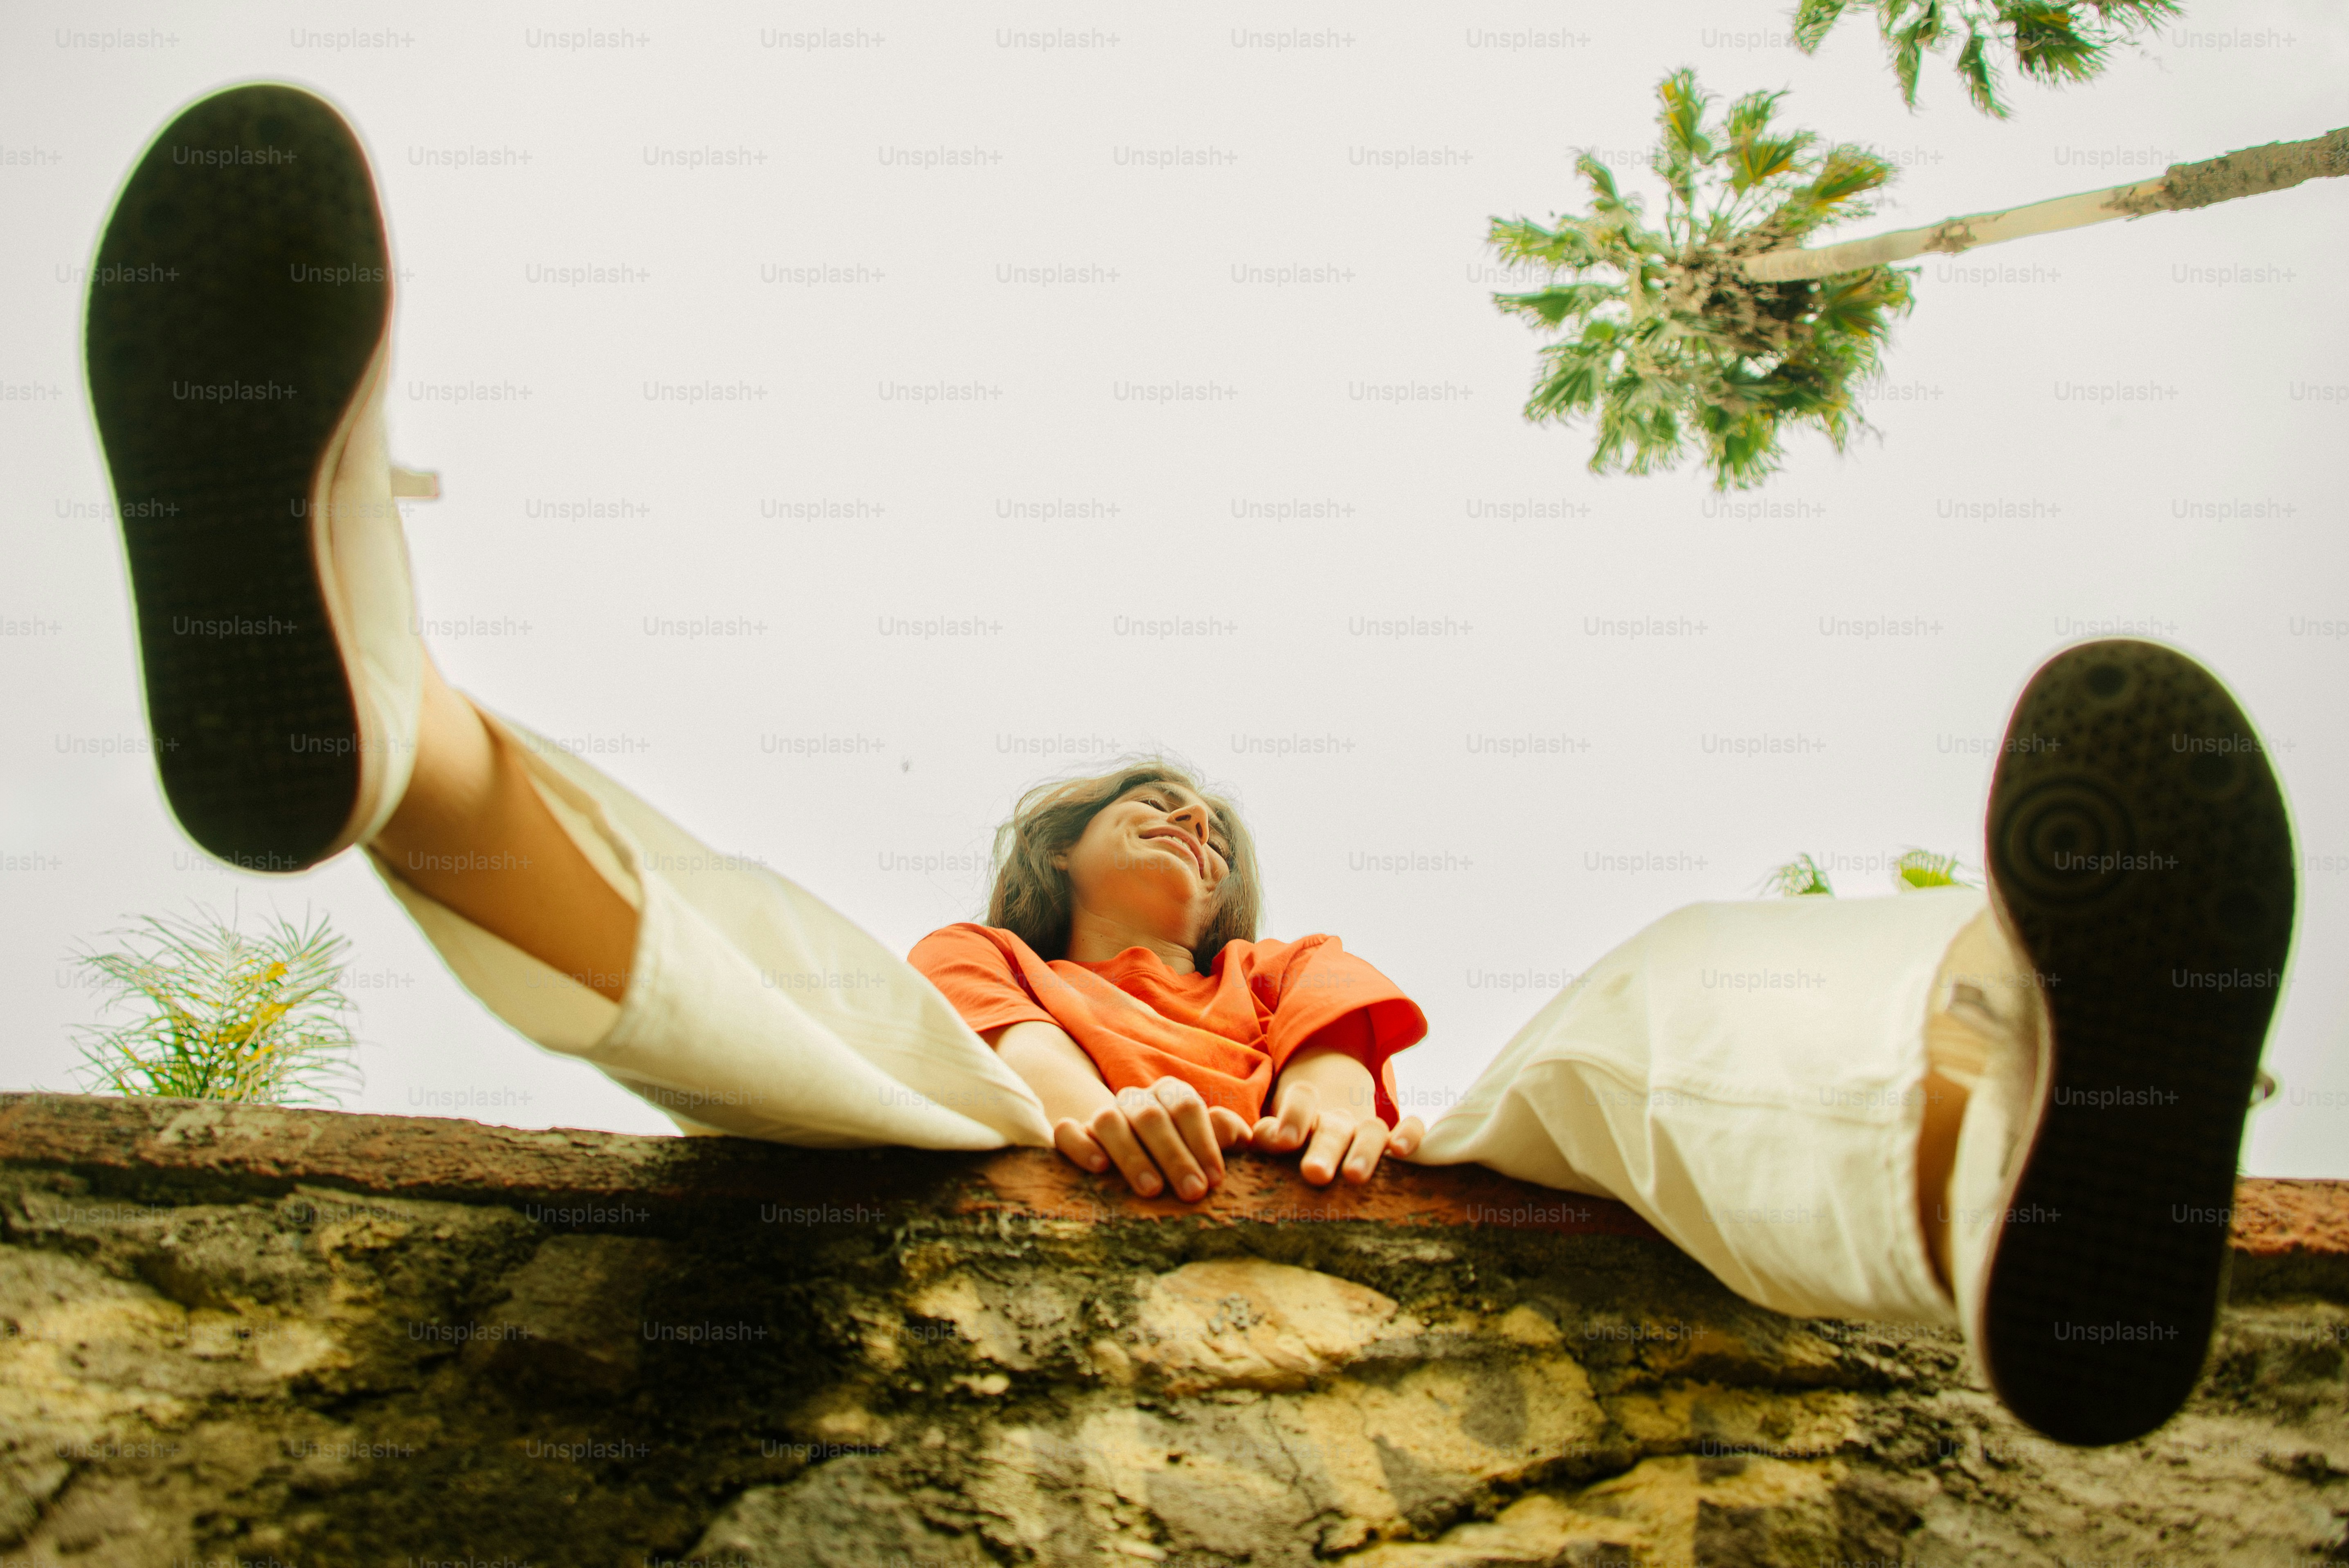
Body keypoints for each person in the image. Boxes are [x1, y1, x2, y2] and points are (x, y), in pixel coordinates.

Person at [82, 83, 2297, 1451]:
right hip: (1010, 1122)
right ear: (1057, 860)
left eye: (1215, 824)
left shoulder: (1293, 964)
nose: (1195, 826)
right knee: (820, 1003)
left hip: (1378, 1165)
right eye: (1147, 806)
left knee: (1649, 1012)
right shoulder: (987, 962)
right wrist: (1087, 1100)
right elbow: (967, 1049)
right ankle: (393, 719)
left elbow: (1345, 1072)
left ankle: (1978, 1127)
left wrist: (1322, 1100)